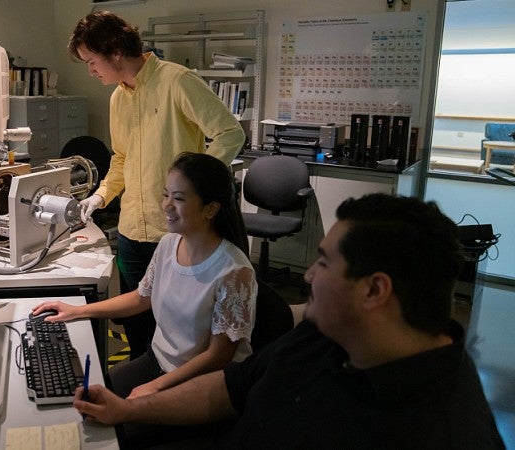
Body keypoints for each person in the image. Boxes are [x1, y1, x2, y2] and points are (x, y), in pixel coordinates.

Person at [73, 193, 505, 449]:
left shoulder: (446, 432)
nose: (310, 277)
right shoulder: (327, 334)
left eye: (323, 263)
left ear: (375, 290)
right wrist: (128, 409)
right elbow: (230, 388)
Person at [68, 11, 246, 360]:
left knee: (184, 339)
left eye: (92, 61)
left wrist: (197, 185)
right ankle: (141, 392)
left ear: (115, 51)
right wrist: (101, 195)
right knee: (139, 335)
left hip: (178, 235)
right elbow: (121, 157)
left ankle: (179, 401)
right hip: (133, 231)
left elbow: (230, 132)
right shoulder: (118, 98)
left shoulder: (177, 81)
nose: (90, 71)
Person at [33, 153, 256, 405]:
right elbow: (141, 298)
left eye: (179, 198)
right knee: (86, 400)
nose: (166, 205)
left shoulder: (234, 271)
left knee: (111, 422)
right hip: (157, 362)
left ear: (211, 209)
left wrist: (154, 387)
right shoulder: (169, 244)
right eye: (166, 194)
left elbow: (218, 357)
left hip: (202, 382)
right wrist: (76, 311)